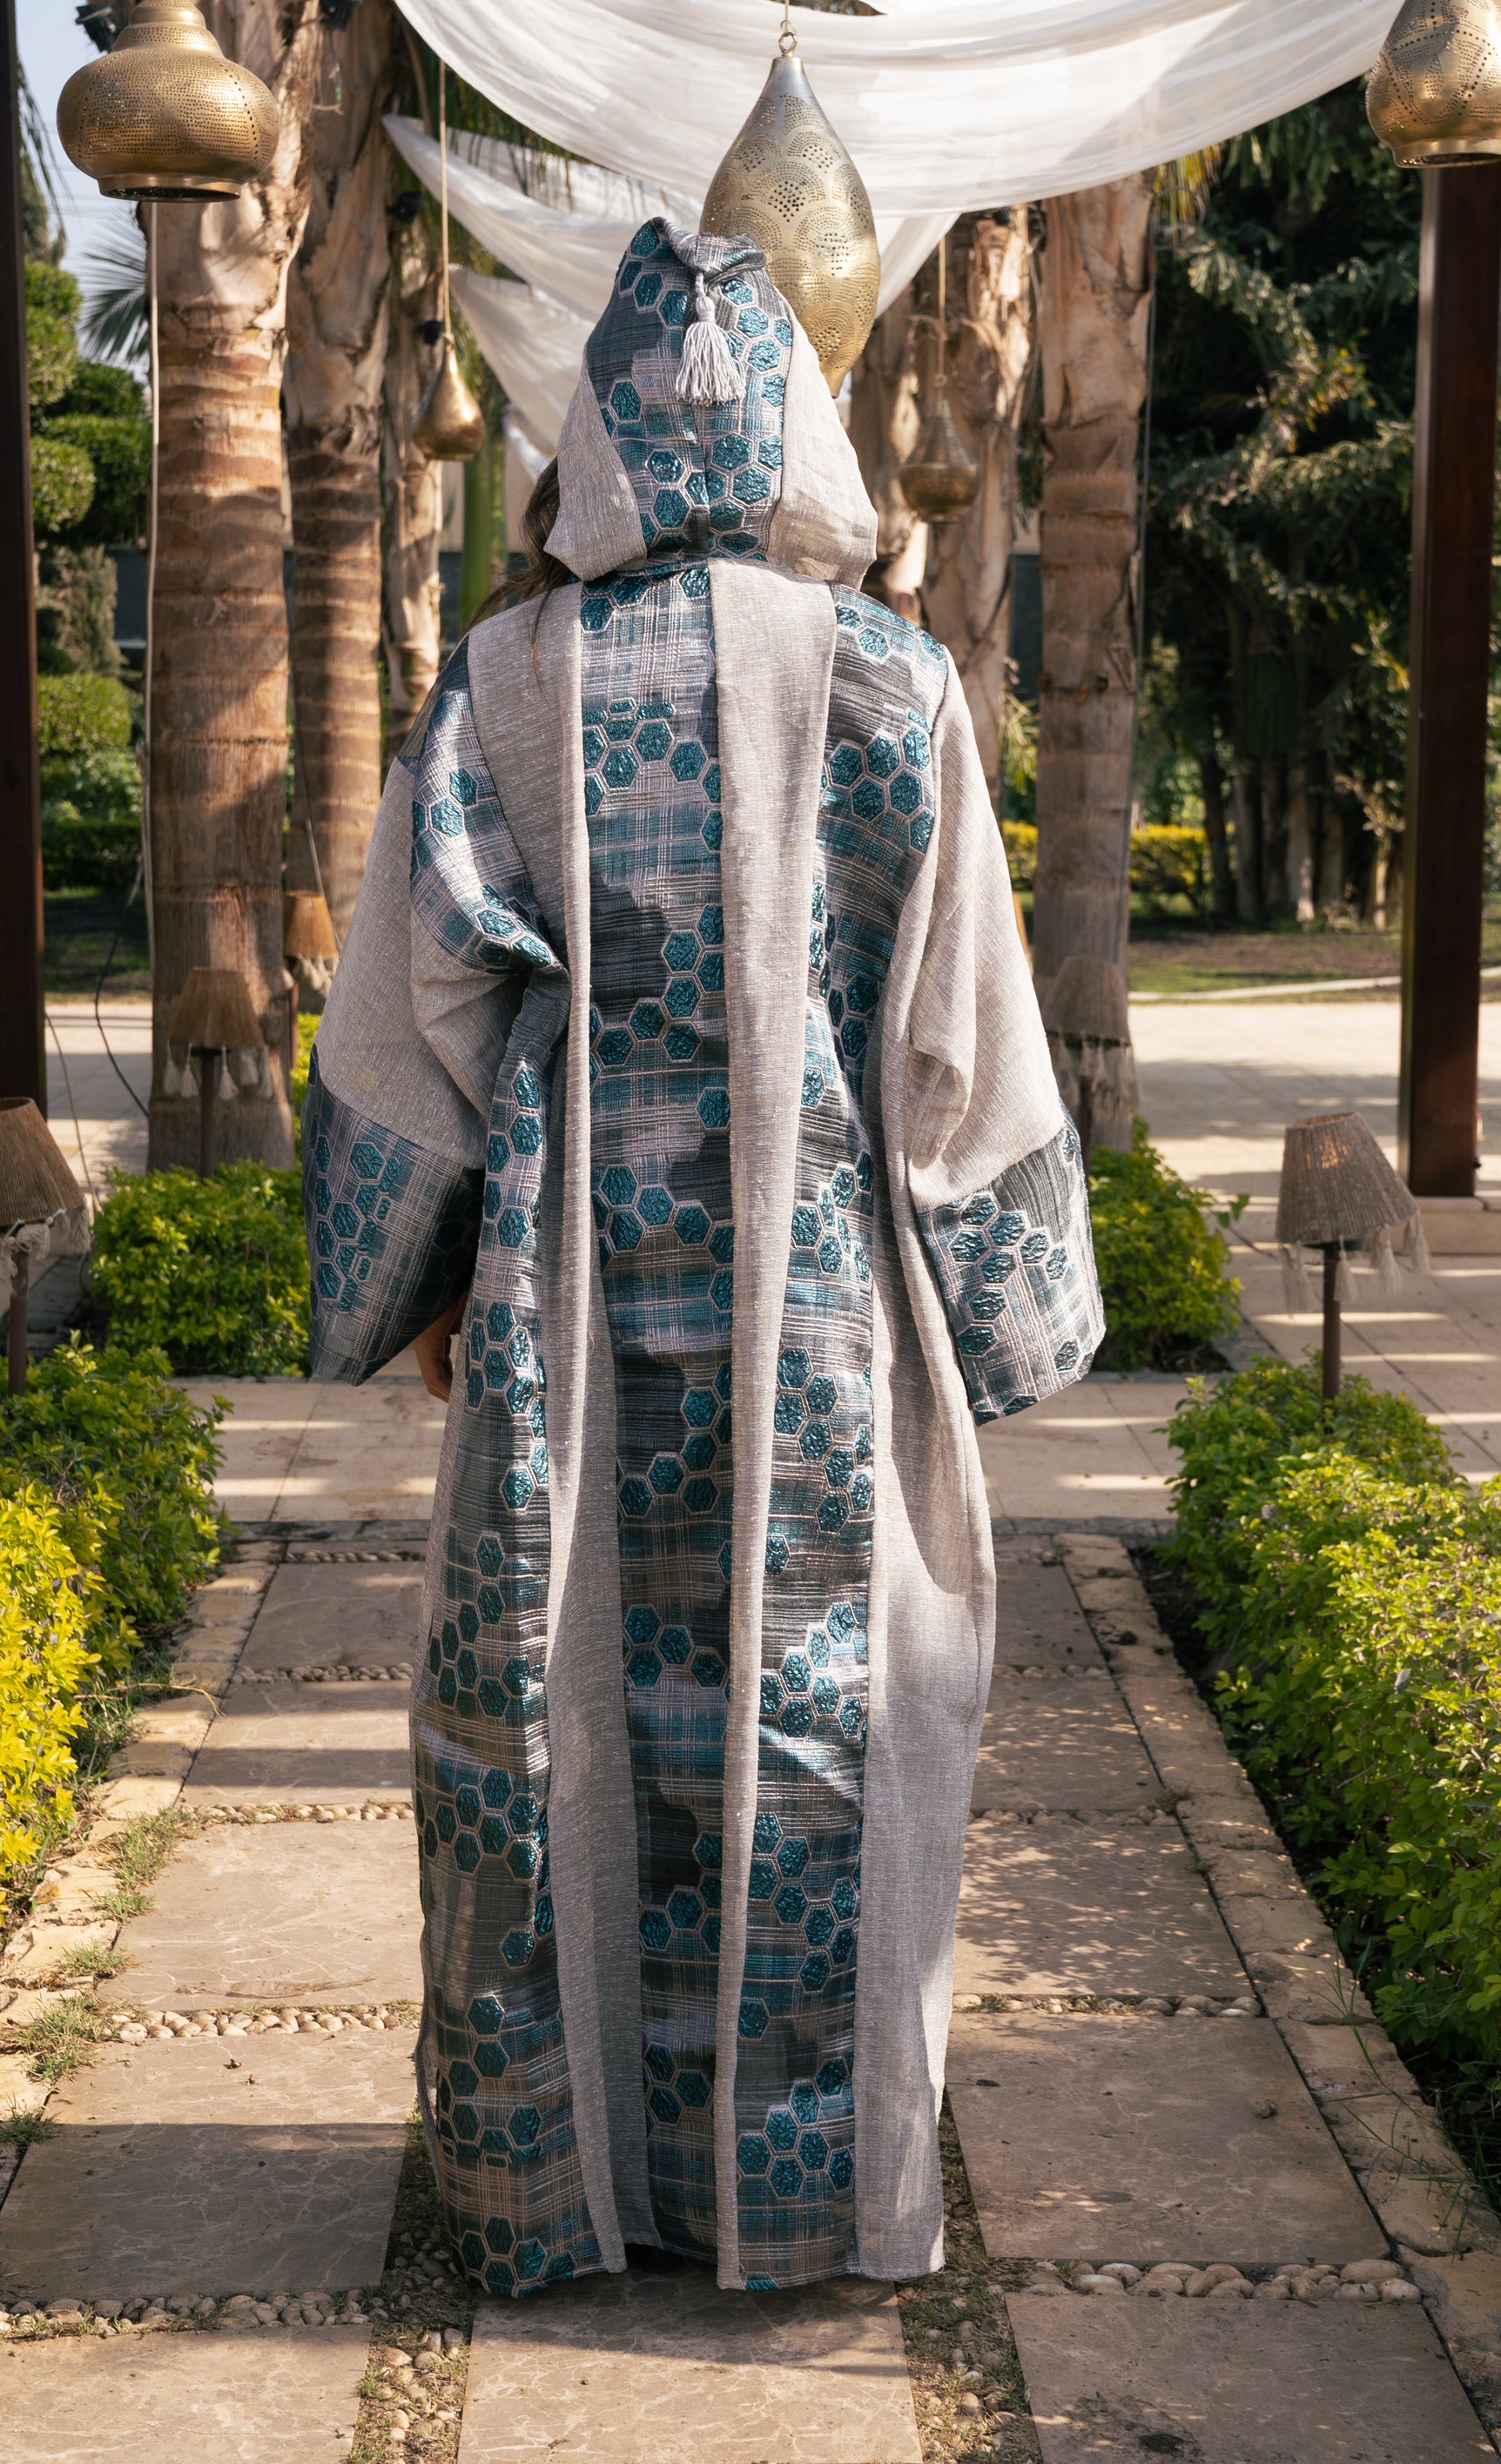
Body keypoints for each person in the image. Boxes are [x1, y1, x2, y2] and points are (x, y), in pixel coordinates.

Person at [302, 217, 1102, 2297]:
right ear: (796, 432)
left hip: (558, 1314)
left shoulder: (498, 682)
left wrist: (415, 1277)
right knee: (816, 1722)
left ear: (594, 436)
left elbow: (408, 1024)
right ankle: (805, 2187)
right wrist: (1004, 1316)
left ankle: (561, 2178)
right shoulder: (890, 682)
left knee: (545, 1708)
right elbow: (963, 1041)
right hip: (818, 1320)